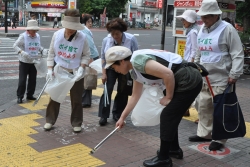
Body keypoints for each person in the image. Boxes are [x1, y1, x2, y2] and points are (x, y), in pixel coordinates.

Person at [105, 46, 203, 167]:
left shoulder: (138, 61)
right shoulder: (134, 70)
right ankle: (173, 149)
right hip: (184, 80)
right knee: (171, 117)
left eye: (114, 67)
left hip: (188, 80)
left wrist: (168, 97)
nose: (115, 70)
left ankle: (164, 158)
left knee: (167, 116)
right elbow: (135, 96)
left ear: (121, 61)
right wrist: (122, 117)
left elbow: (168, 74)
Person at [189, 0, 244, 151]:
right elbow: (200, 51)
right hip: (205, 77)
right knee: (203, 106)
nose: (203, 20)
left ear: (215, 16)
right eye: (202, 17)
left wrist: (234, 73)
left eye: (206, 17)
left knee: (220, 110)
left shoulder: (227, 29)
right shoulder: (202, 29)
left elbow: (237, 53)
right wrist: (197, 68)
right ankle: (204, 133)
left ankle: (219, 139)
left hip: (223, 78)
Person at [44, 9, 90, 132]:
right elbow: (51, 53)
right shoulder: (57, 35)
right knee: (54, 97)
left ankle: (76, 122)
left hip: (75, 73)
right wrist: (49, 69)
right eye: (69, 27)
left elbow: (86, 55)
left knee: (76, 100)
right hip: (60, 70)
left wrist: (82, 67)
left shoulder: (82, 37)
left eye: (73, 28)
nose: (70, 30)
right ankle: (50, 120)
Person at [98, 18, 138, 126]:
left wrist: (133, 73)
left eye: (117, 33)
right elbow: (103, 57)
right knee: (107, 90)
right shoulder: (106, 40)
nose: (115, 36)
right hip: (111, 67)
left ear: (122, 31)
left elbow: (135, 56)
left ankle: (118, 114)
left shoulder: (131, 39)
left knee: (123, 91)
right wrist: (104, 73)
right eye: (112, 34)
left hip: (125, 68)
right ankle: (103, 115)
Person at [13, 20, 45, 104]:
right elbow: (15, 45)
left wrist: (42, 49)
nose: (34, 32)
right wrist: (21, 52)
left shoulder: (37, 36)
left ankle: (30, 95)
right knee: (22, 80)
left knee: (33, 80)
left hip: (33, 61)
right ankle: (20, 96)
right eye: (33, 30)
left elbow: (37, 46)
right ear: (28, 29)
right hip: (24, 61)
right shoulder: (23, 36)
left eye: (36, 30)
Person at [176, 10, 200, 118]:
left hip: (190, 63)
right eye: (182, 19)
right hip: (187, 61)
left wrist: (191, 63)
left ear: (190, 20)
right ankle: (186, 109)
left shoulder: (193, 32)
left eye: (184, 19)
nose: (182, 21)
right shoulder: (191, 30)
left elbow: (194, 49)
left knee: (189, 86)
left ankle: (187, 109)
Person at [80, 14, 99, 108]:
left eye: (91, 22)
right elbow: (90, 46)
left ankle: (86, 101)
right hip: (90, 57)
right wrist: (91, 57)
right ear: (84, 22)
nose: (90, 23)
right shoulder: (84, 30)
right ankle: (85, 101)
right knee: (87, 78)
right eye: (88, 22)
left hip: (89, 57)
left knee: (88, 77)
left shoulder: (85, 30)